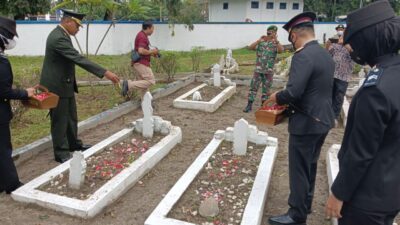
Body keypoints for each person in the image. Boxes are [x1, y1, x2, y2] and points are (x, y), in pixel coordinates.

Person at [326, 1, 400, 224]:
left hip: (365, 198)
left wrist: (339, 193)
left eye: (352, 42)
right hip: (391, 191)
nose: (349, 47)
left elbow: (360, 152)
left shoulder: (376, 89)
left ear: (366, 40)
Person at [267, 12, 335, 225]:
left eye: (291, 37)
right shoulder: (325, 54)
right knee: (310, 166)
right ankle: (305, 204)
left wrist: (276, 96)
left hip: (305, 122)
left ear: (294, 35)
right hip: (322, 120)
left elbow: (294, 92)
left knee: (299, 169)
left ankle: (296, 215)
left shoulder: (302, 55)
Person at [40, 9, 120, 163]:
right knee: (60, 120)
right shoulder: (58, 38)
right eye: (77, 26)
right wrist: (105, 72)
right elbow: (77, 58)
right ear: (68, 21)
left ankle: (73, 144)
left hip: (65, 84)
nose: (78, 30)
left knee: (71, 117)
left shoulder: (63, 35)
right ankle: (61, 152)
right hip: (57, 86)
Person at [0, 16, 35, 193]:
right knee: (4, 149)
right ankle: (12, 185)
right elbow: (4, 91)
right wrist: (25, 93)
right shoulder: (2, 61)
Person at [243, 25, 284, 113]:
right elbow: (250, 48)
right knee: (253, 87)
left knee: (266, 90)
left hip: (268, 71)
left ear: (276, 34)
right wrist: (259, 40)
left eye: (273, 33)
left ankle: (263, 106)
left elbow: (281, 50)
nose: (271, 34)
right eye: (269, 32)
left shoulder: (275, 44)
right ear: (267, 32)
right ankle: (249, 105)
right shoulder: (261, 42)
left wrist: (276, 41)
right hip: (258, 70)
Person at [121, 21, 159, 98]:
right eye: (152, 28)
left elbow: (142, 50)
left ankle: (146, 105)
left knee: (144, 86)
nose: (153, 30)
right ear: (148, 28)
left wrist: (152, 54)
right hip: (142, 63)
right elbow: (141, 50)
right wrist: (152, 51)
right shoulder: (142, 36)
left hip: (138, 62)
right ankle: (128, 84)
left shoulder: (142, 35)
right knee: (151, 81)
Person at [326, 25, 354, 123]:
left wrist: (346, 45)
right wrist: (328, 44)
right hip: (332, 74)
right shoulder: (335, 45)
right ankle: (327, 115)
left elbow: (357, 57)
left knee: (339, 97)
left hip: (344, 76)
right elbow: (327, 55)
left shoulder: (352, 45)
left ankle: (334, 118)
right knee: (329, 95)